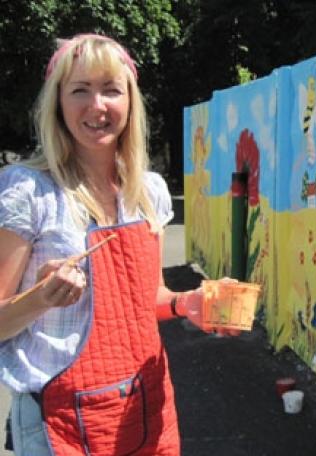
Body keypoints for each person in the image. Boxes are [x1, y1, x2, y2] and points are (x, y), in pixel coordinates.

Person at [0, 33, 213, 455]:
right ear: (58, 103)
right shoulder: (30, 191)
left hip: (146, 406)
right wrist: (41, 298)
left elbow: (143, 300)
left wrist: (185, 303)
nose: (97, 106)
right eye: (80, 89)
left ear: (130, 101)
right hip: (59, 421)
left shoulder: (148, 192)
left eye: (111, 90)